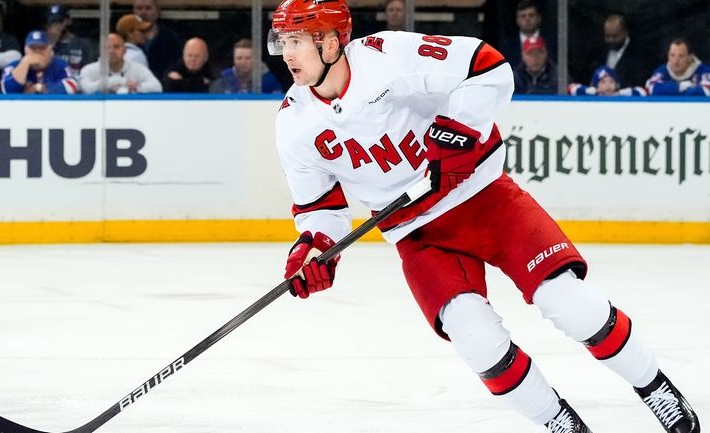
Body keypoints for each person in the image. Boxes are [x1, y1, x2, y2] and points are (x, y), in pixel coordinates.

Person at [268, 0, 701, 433]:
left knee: (569, 303)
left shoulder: (387, 56)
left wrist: (460, 131)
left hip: (484, 197)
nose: (287, 54)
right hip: (417, 235)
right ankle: (560, 422)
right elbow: (319, 207)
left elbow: (487, 67)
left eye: (298, 41)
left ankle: (656, 388)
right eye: (284, 41)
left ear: (332, 42)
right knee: (476, 341)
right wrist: (315, 247)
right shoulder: (293, 122)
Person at [579, 14, 652, 90]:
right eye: (607, 36)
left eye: (615, 36)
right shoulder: (597, 53)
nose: (611, 40)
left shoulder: (640, 53)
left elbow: (641, 82)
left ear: (625, 32)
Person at [79, 33, 162, 94]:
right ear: (100, 51)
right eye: (106, 48)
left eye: (116, 47)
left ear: (125, 50)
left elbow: (157, 87)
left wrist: (133, 88)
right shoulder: (88, 70)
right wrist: (119, 81)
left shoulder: (137, 68)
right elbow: (86, 89)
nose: (111, 51)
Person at [0, 30, 78, 94]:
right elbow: (7, 89)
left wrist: (38, 88)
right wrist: (25, 62)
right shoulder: (13, 66)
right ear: (25, 49)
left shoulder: (60, 64)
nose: (37, 52)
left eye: (42, 48)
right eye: (33, 48)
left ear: (50, 49)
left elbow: (72, 85)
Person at [210, 38, 282, 94]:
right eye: (239, 58)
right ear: (233, 59)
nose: (243, 62)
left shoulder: (269, 81)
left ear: (256, 59)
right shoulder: (224, 79)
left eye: (248, 58)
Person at [133, 0, 182, 80]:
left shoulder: (171, 38)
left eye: (148, 8)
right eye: (139, 8)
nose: (143, 12)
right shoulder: (124, 39)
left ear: (158, 12)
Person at [499, 0, 555, 69]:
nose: (527, 19)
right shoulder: (507, 45)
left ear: (539, 18)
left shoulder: (551, 42)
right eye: (523, 16)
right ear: (517, 20)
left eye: (531, 15)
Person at [646, 38, 710, 96]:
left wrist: (668, 90)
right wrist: (680, 87)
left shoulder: (703, 70)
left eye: (681, 56)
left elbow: (707, 90)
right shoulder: (663, 71)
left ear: (690, 57)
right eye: (672, 55)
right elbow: (650, 88)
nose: (676, 61)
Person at [45, 4, 96, 76]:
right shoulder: (44, 46)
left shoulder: (83, 45)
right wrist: (51, 44)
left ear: (69, 21)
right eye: (52, 23)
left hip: (78, 84)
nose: (56, 26)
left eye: (59, 22)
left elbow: (90, 71)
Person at [567, 65, 646, 96]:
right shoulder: (593, 95)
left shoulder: (619, 96)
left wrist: (623, 92)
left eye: (611, 82)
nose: (608, 85)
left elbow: (643, 92)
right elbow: (571, 88)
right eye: (603, 82)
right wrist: (589, 90)